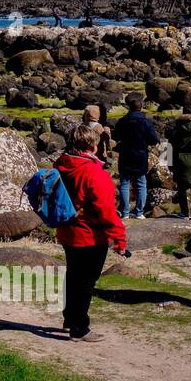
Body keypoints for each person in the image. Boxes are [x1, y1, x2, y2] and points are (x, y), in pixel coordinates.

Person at [56, 123, 129, 342]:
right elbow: (107, 211)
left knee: (73, 276)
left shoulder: (61, 165)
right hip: (89, 235)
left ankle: (70, 318)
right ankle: (79, 327)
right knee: (86, 281)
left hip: (67, 230)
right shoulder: (94, 173)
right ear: (92, 146)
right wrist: (120, 239)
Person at [112, 94, 158, 219]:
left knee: (125, 183)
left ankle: (125, 212)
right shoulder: (146, 122)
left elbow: (115, 136)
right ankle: (139, 212)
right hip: (141, 155)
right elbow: (154, 140)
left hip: (126, 154)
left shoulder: (122, 121)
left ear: (129, 108)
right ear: (141, 108)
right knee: (141, 183)